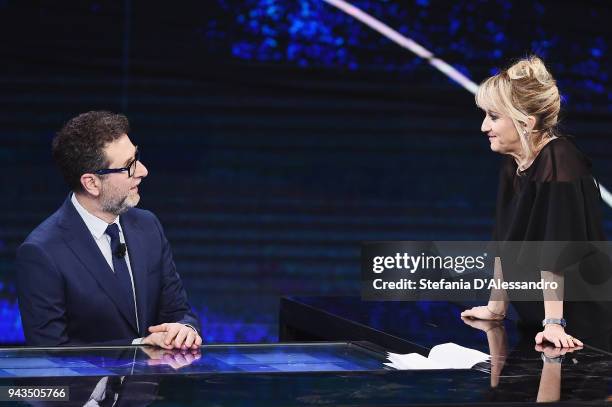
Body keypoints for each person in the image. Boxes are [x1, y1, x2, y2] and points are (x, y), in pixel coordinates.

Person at [16, 111, 202, 349]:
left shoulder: (148, 226)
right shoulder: (42, 253)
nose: (143, 171)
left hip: (151, 384)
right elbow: (51, 352)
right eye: (129, 166)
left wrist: (183, 330)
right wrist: (139, 345)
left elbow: (178, 311)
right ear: (92, 183)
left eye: (137, 157)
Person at [461, 56, 612, 348]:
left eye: (493, 117)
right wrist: (496, 307)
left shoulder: (559, 158)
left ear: (526, 123)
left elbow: (556, 250)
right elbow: (506, 239)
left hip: (583, 326)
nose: (483, 127)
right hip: (536, 320)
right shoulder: (513, 162)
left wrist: (554, 323)